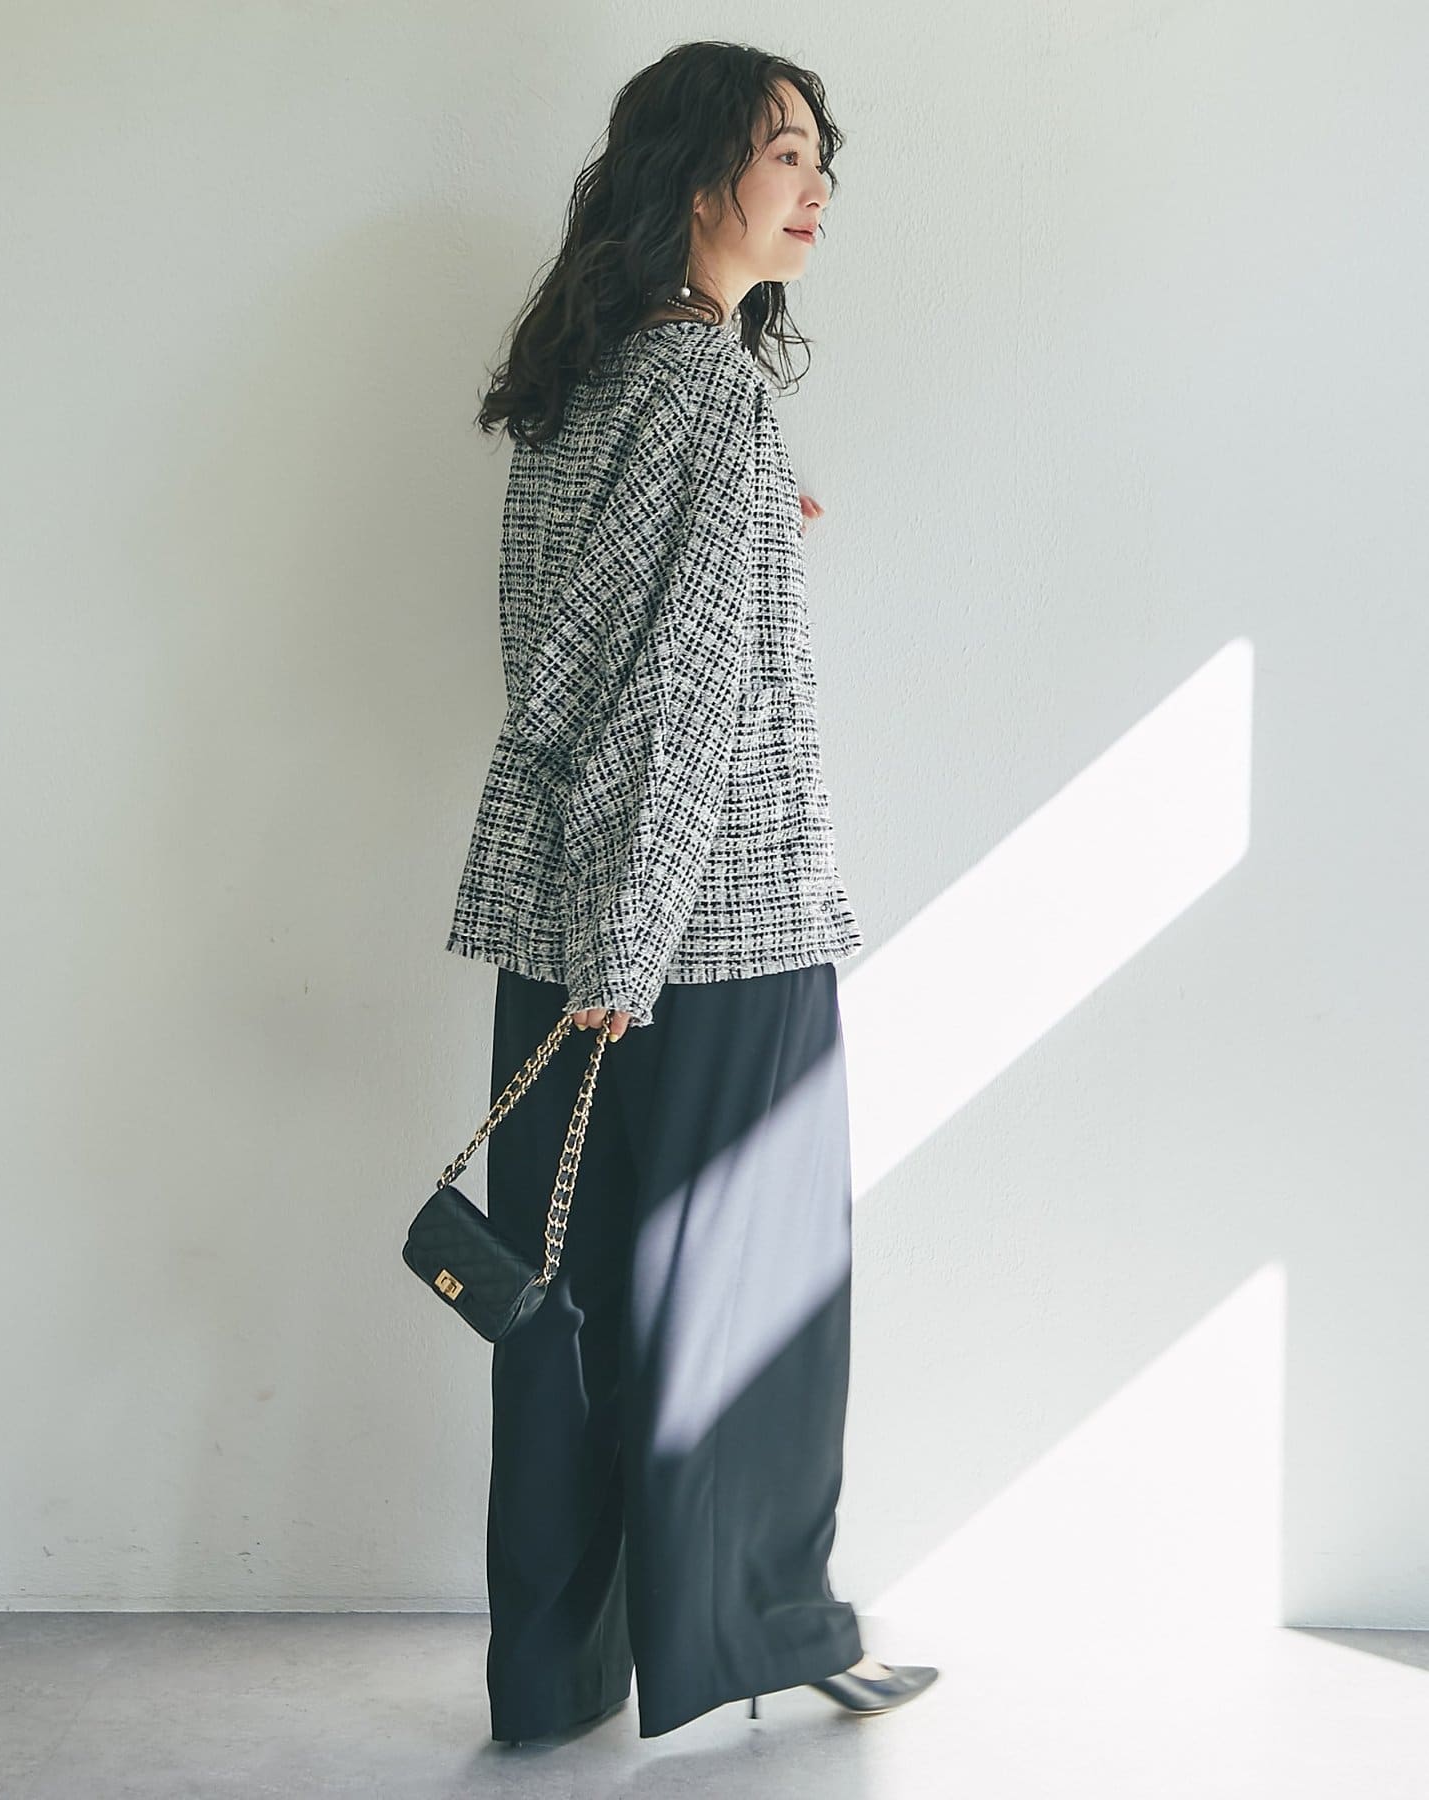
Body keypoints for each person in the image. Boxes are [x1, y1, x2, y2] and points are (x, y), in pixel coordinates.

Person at [444, 41, 939, 1745]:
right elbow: (682, 699)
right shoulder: (711, 394)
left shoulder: (590, 375)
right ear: (697, 173)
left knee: (567, 1303)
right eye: (784, 152)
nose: (816, 188)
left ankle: (551, 1674)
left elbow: (575, 643)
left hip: (566, 909)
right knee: (751, 1302)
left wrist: (600, 933)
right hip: (710, 926)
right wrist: (641, 937)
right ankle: (764, 1628)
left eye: (820, 156)